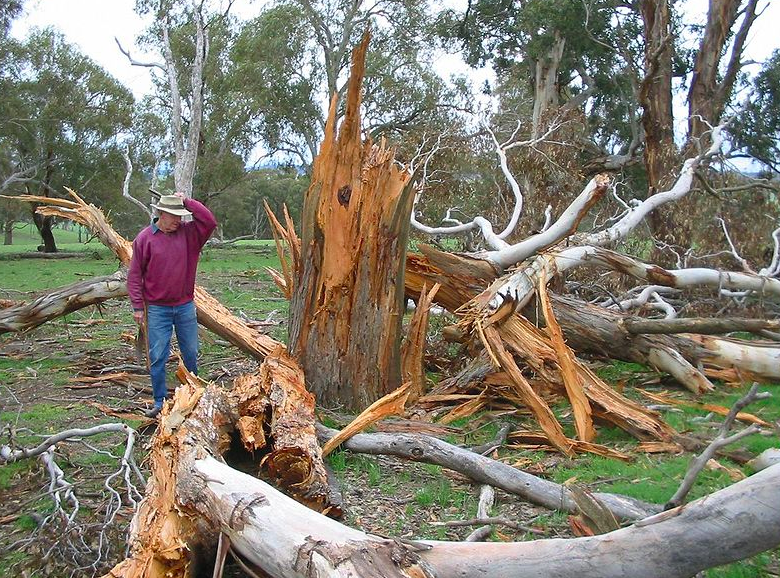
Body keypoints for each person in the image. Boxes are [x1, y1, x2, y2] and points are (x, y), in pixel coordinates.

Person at [127, 193, 217, 418]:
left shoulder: (190, 234)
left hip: (185, 306)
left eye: (181, 215)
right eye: (175, 216)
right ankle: (159, 401)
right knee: (157, 355)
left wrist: (186, 201)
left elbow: (209, 221)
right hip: (157, 309)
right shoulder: (145, 239)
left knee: (191, 352)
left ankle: (193, 395)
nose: (179, 220)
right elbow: (135, 274)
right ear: (161, 214)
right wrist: (138, 306)